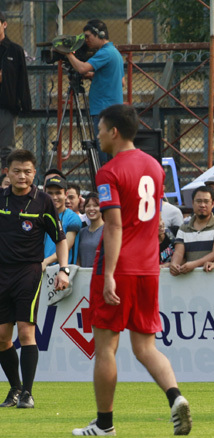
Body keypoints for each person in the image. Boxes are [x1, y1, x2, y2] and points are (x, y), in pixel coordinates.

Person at [73, 104, 191, 436]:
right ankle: (176, 397)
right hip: (148, 268)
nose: (97, 135)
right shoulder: (155, 167)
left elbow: (113, 226)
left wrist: (109, 274)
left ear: (114, 131)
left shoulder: (108, 172)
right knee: (145, 347)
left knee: (106, 348)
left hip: (118, 267)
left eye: (100, 129)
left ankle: (105, 424)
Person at [0, 149, 69, 409]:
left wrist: (64, 269)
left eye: (27, 171)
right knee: (2, 336)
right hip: (1, 273)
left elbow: (60, 239)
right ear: (8, 171)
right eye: (17, 171)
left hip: (29, 271)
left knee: (25, 331)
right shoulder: (1, 198)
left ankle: (27, 393)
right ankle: (15, 389)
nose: (22, 176)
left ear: (34, 173)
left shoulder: (43, 201)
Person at [63, 19, 123, 165]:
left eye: (88, 36)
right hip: (111, 109)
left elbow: (82, 68)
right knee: (109, 154)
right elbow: (120, 81)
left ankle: (105, 185)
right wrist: (93, 76)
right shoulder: (114, 52)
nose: (86, 40)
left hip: (103, 110)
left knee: (104, 156)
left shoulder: (105, 52)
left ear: (100, 34)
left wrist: (68, 54)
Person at [169, 185, 214, 277]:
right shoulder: (184, 227)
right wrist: (174, 263)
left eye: (206, 201)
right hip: (189, 278)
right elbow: (179, 252)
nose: (202, 205)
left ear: (213, 203)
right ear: (192, 203)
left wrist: (194, 264)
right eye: (198, 201)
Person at [0, 12, 31, 169]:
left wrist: (25, 105)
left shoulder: (14, 50)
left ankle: (5, 185)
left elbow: (22, 79)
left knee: (6, 150)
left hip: (7, 107)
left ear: (4, 24)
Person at [42, 175, 81, 267]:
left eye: (58, 193)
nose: (54, 197)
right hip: (40, 269)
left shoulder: (73, 218)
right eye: (50, 193)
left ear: (66, 194)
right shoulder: (40, 215)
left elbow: (65, 247)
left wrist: (45, 262)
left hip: (62, 271)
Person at [77, 193, 103, 267]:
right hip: (83, 276)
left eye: (95, 206)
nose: (91, 209)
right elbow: (78, 259)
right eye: (88, 206)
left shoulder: (108, 231)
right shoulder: (81, 232)